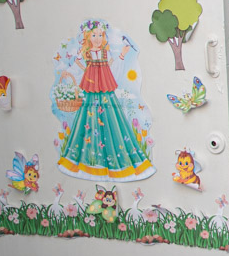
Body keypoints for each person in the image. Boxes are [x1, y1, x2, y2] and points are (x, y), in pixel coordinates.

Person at [56, 20, 155, 182]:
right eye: (94, 35)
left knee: (113, 121)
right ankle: (88, 160)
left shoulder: (105, 53)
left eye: (100, 35)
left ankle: (116, 161)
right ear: (88, 37)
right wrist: (86, 71)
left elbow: (112, 69)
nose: (97, 39)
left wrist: (122, 54)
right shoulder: (86, 53)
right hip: (91, 91)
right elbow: (77, 64)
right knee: (87, 119)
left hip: (105, 91)